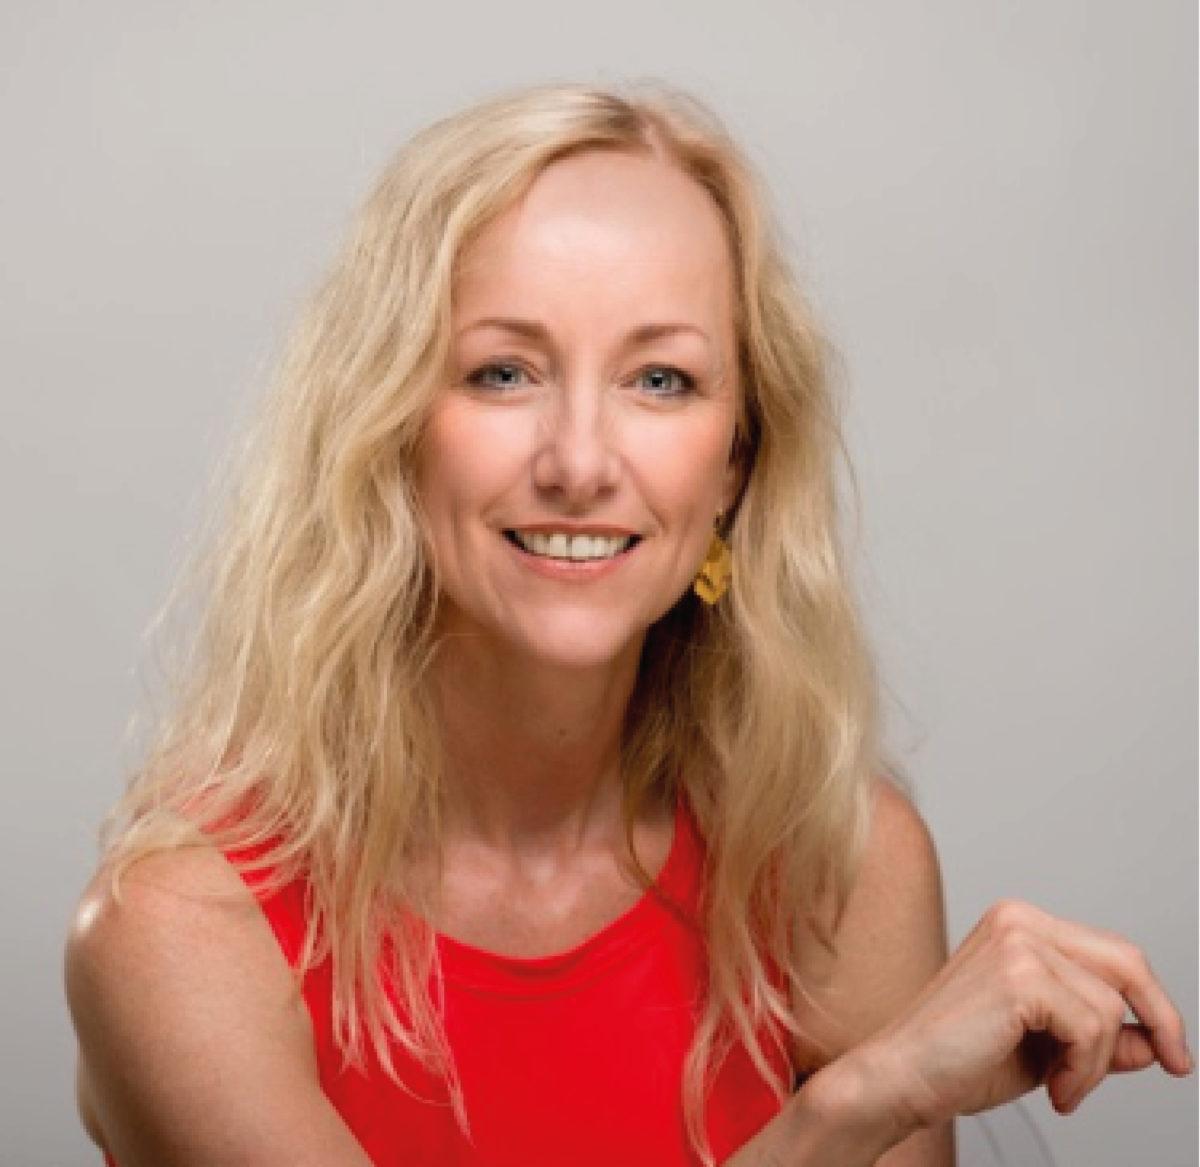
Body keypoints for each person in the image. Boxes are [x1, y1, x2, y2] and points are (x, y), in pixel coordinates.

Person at [63, 80, 1192, 1167]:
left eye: (660, 381)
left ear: (735, 465)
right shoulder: (176, 927)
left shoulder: (839, 868)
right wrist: (862, 1099)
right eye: (502, 372)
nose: (580, 463)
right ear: (389, 432)